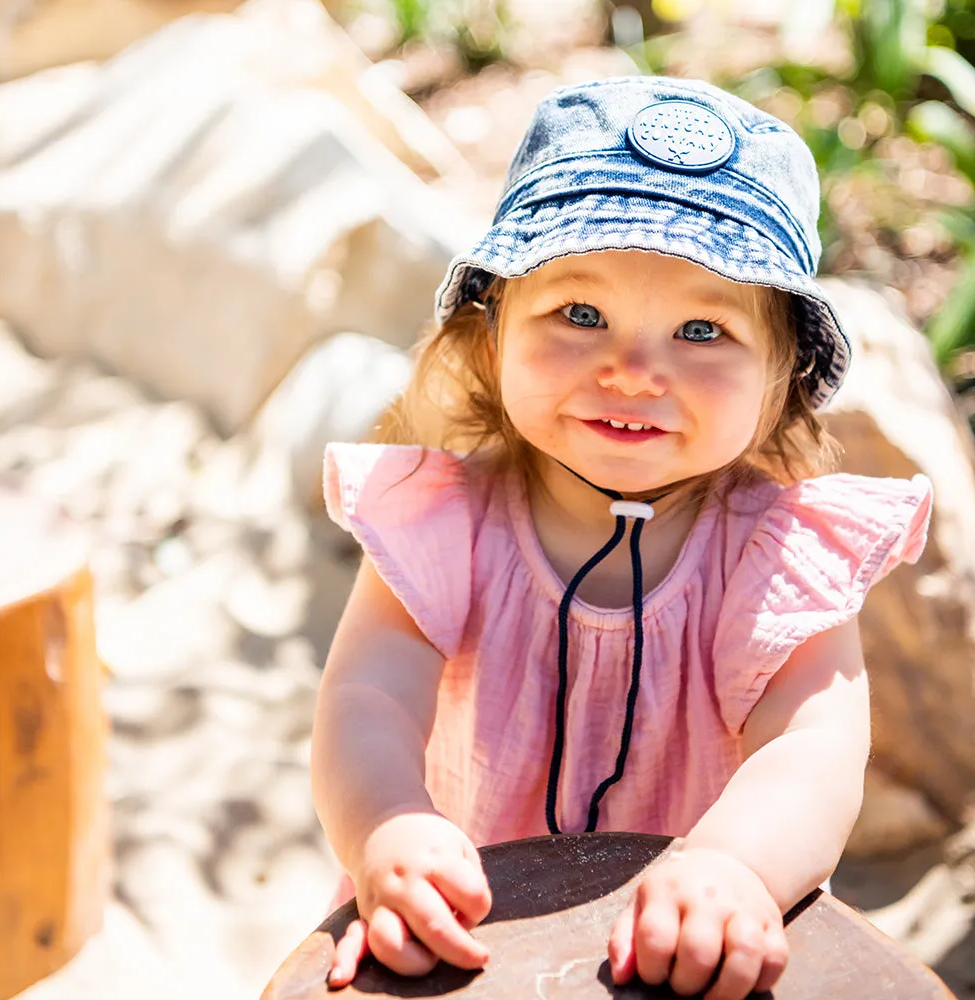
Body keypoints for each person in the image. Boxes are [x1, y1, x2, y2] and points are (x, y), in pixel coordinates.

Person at [311, 75, 933, 1000]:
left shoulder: (782, 555)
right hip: (470, 916)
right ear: (491, 339)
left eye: (700, 329)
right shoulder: (440, 520)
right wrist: (390, 824)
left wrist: (737, 866)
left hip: (697, 926)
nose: (634, 371)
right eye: (581, 314)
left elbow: (810, 746)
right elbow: (368, 694)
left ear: (779, 381)